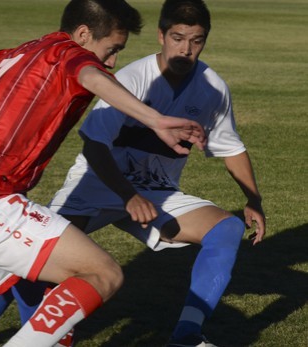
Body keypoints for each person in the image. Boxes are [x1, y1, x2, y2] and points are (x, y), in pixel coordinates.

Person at [0, 0, 207, 345]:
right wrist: (155, 119)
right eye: (111, 50)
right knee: (103, 273)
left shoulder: (21, 54)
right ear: (83, 34)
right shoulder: (70, 55)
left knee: (61, 305)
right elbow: (89, 75)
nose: (111, 63)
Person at [47, 0, 266, 346]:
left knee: (227, 228)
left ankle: (187, 335)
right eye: (178, 38)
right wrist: (127, 196)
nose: (187, 49)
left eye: (196, 40)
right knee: (38, 253)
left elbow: (230, 146)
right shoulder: (133, 77)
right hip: (96, 183)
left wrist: (252, 199)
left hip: (155, 190)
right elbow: (93, 144)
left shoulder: (212, 86)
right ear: (161, 35)